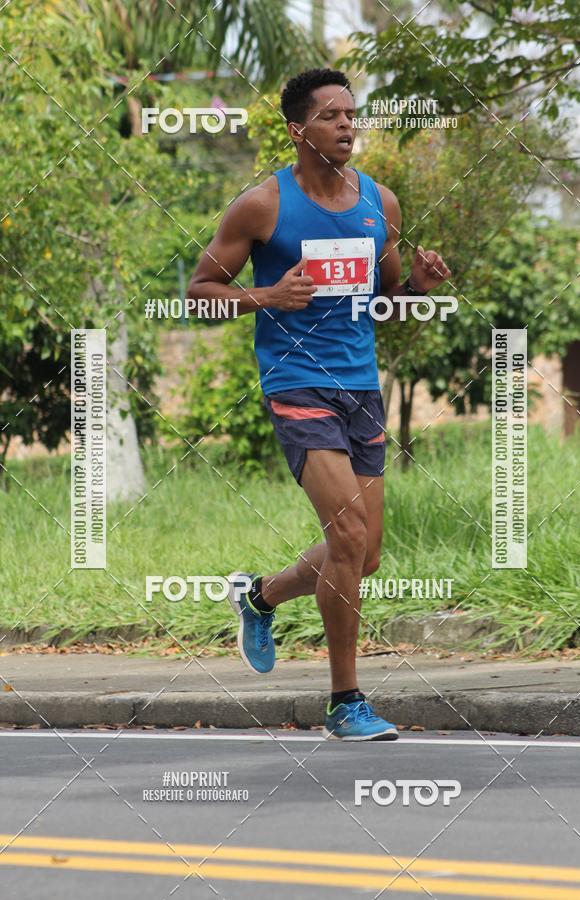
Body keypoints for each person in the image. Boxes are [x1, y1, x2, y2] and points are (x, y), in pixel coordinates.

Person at [187, 68, 451, 740]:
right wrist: (264, 297)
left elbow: (386, 303)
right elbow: (199, 290)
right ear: (297, 129)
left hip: (360, 386)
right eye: (332, 116)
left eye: (352, 115)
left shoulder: (380, 205)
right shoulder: (261, 207)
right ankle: (345, 702)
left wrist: (418, 286)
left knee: (362, 557)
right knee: (349, 535)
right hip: (295, 384)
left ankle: (259, 595)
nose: (347, 126)